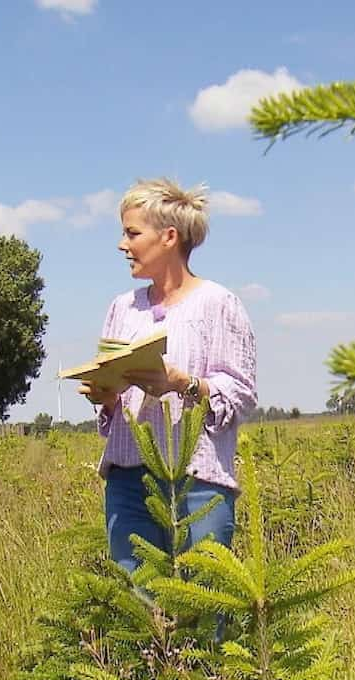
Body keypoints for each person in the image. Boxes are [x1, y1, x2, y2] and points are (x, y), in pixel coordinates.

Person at [80, 178, 257, 580]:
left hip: (198, 483)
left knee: (205, 608)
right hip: (128, 482)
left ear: (169, 237)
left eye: (132, 233)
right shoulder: (121, 309)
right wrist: (105, 396)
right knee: (140, 606)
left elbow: (241, 394)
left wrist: (182, 383)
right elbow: (115, 408)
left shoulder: (218, 304)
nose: (122, 245)